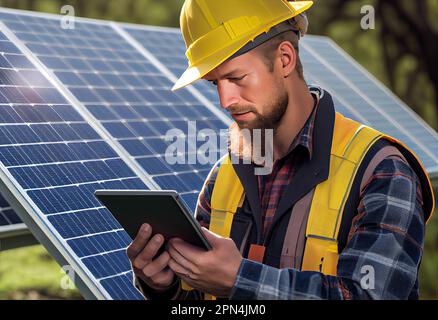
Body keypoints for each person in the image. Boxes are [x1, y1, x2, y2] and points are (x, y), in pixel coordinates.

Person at [128, 0, 435, 300]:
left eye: (236, 78)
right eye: (215, 84)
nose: (225, 100)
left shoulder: (381, 170)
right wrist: (164, 286)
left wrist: (238, 280)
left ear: (285, 60)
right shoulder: (224, 175)